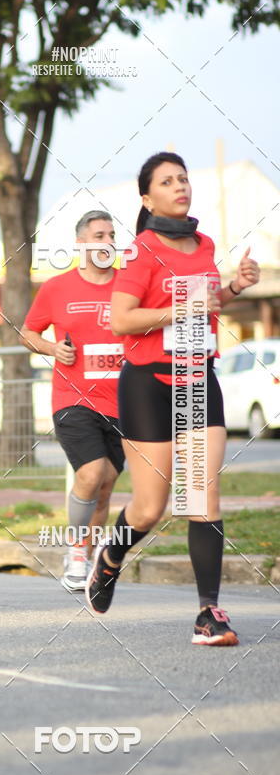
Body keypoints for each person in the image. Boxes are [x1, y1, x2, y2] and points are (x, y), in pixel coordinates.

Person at [86, 151, 260, 646]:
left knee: (202, 495)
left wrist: (233, 287)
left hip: (198, 376)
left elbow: (207, 300)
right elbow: (122, 320)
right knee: (148, 508)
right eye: (167, 180)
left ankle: (209, 613)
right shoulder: (141, 251)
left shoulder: (203, 243)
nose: (180, 185)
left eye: (183, 177)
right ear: (148, 197)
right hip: (147, 385)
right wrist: (180, 310)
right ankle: (111, 556)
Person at [20, 210, 125, 590]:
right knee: (91, 473)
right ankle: (75, 551)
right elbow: (27, 332)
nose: (107, 241)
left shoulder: (129, 287)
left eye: (112, 234)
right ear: (81, 243)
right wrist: (52, 348)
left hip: (123, 400)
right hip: (74, 398)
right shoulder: (57, 288)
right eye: (99, 235)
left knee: (106, 485)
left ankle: (93, 554)